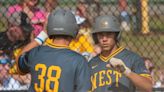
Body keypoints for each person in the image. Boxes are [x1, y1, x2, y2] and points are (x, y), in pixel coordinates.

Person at [16, 9, 91, 92]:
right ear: (74, 31)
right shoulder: (78, 60)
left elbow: (19, 61)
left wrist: (43, 34)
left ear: (49, 29)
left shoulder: (35, 53)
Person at [89, 15, 152, 92]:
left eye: (108, 34)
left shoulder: (132, 58)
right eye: (100, 35)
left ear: (116, 35)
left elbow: (148, 87)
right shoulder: (91, 63)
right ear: (96, 37)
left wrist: (127, 72)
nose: (104, 39)